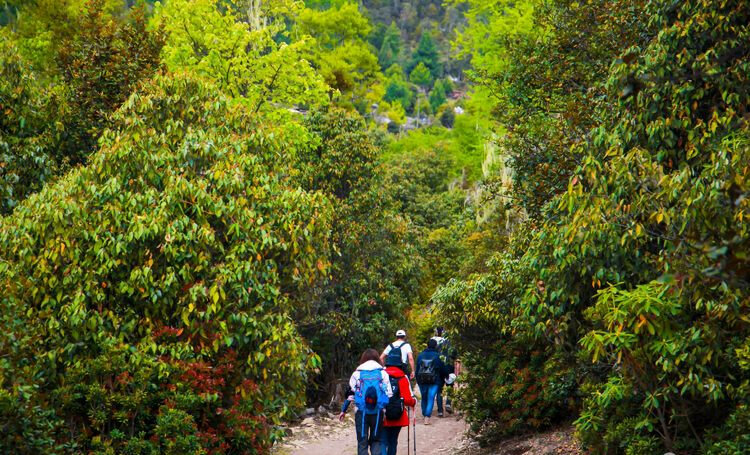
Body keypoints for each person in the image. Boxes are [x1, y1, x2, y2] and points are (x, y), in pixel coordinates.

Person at [339, 349, 393, 455]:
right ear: (378, 359)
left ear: (363, 359)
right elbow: (389, 394)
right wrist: (384, 409)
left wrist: (343, 410)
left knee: (362, 442)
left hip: (361, 412)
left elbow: (351, 395)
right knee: (376, 441)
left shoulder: (357, 374)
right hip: (378, 412)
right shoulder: (383, 373)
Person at [383, 351, 417, 455]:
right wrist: (413, 402)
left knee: (383, 442)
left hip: (383, 414)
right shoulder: (403, 377)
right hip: (398, 415)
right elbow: (407, 399)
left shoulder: (381, 375)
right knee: (393, 442)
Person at [415, 338, 444, 425]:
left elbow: (417, 369)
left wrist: (418, 380)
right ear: (436, 346)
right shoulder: (438, 356)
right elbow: (441, 368)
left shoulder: (420, 355)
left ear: (427, 345)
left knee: (424, 397)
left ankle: (424, 414)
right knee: (431, 398)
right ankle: (427, 417)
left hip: (422, 380)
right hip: (434, 380)